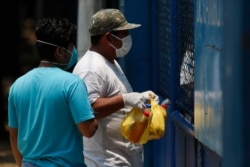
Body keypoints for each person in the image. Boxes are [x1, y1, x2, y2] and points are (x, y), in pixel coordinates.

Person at [73, 9, 159, 167]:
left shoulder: (110, 61)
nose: (128, 38)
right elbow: (87, 111)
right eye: (124, 33)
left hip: (122, 159)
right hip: (106, 161)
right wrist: (125, 100)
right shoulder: (90, 69)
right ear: (108, 37)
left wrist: (140, 101)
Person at [8, 17, 98, 167]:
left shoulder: (17, 85)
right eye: (71, 47)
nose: (73, 52)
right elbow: (88, 130)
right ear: (60, 51)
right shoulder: (72, 83)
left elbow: (13, 136)